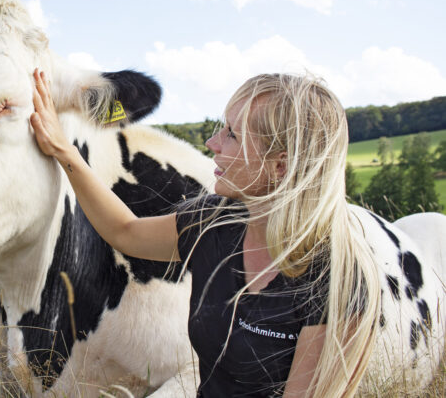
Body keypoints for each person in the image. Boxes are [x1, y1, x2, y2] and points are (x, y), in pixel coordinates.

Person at [30, 70, 380, 398]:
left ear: (280, 165)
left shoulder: (335, 280)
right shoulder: (215, 223)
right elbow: (126, 232)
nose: (213, 142)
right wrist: (64, 150)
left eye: (232, 134)